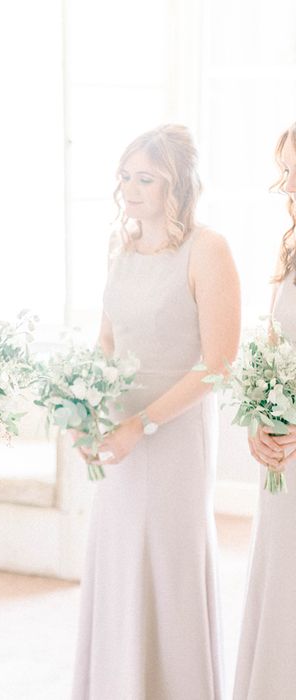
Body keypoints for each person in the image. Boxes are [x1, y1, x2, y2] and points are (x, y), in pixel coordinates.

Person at [71, 125, 241, 699]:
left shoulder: (207, 248)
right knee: (119, 563)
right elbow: (107, 340)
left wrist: (140, 426)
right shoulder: (119, 246)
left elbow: (218, 364)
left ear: (179, 185)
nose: (130, 189)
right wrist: (84, 407)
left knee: (169, 567)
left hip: (172, 434)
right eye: (125, 176)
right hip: (117, 431)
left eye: (146, 178)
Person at [233, 121, 296, 699]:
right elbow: (275, 347)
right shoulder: (292, 246)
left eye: (292, 167)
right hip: (282, 451)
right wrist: (259, 414)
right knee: (279, 572)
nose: (285, 183)